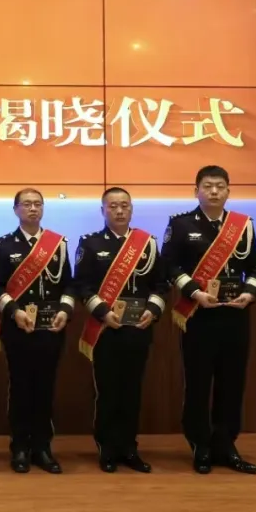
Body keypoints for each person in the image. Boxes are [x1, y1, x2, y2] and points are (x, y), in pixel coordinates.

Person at [161, 164, 256, 475]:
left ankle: (226, 444)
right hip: (198, 315)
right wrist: (194, 292)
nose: (214, 191)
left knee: (232, 382)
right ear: (197, 191)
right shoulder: (180, 224)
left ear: (228, 191)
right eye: (208, 186)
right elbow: (170, 266)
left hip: (235, 315)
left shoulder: (242, 225)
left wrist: (250, 292)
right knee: (198, 382)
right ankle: (200, 445)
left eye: (220, 186)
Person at [75, 187, 166, 473]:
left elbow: (160, 284)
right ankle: (107, 447)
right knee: (108, 391)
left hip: (138, 328)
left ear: (131, 209)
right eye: (113, 206)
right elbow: (82, 286)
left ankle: (129, 447)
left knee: (132, 391)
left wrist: (153, 310)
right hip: (105, 329)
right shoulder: (90, 243)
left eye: (124, 205)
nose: (119, 210)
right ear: (103, 210)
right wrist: (102, 312)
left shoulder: (147, 243)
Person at [0, 188, 74, 474]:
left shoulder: (57, 244)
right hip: (18, 327)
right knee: (21, 388)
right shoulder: (4, 245)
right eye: (26, 204)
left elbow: (68, 284)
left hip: (51, 328)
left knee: (45, 388)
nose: (33, 209)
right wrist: (14, 310)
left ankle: (43, 448)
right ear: (16, 210)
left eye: (37, 204)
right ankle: (20, 447)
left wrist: (65, 309)